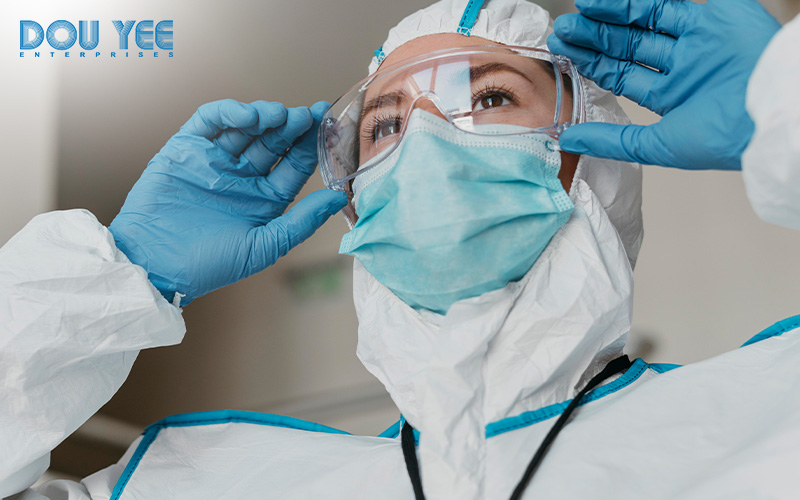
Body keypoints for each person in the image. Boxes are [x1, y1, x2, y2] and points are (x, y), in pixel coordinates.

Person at [0, 1, 798, 500]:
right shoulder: (197, 480)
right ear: (356, 189)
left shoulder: (769, 411)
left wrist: (784, 101)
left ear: (588, 155)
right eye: (386, 124)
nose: (428, 142)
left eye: (488, 97)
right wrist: (114, 273)